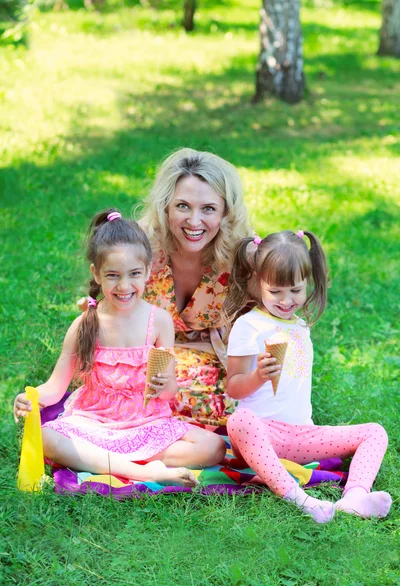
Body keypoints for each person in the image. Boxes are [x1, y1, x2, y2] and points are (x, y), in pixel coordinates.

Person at [14, 209, 226, 487]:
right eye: (113, 275)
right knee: (47, 438)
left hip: (145, 422)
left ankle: (105, 461)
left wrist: (165, 386)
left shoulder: (159, 321)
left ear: (149, 271)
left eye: (134, 274)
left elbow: (170, 391)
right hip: (95, 422)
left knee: (214, 447)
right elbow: (55, 386)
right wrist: (32, 398)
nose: (124, 286)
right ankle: (146, 471)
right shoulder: (85, 324)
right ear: (97, 274)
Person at [223, 230, 392, 523]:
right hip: (261, 434)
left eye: (296, 290)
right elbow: (234, 388)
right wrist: (258, 376)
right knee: (238, 421)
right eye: (276, 291)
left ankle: (354, 497)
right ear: (257, 282)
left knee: (375, 432)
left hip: (302, 435)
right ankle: (301, 500)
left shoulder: (301, 326)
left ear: (307, 282)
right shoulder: (249, 326)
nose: (287, 300)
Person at [139, 148, 253, 426]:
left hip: (215, 365)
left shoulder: (244, 258)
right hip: (144, 358)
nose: (193, 221)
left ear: (227, 212)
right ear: (165, 206)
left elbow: (261, 329)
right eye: (182, 206)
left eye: (208, 209)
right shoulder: (140, 248)